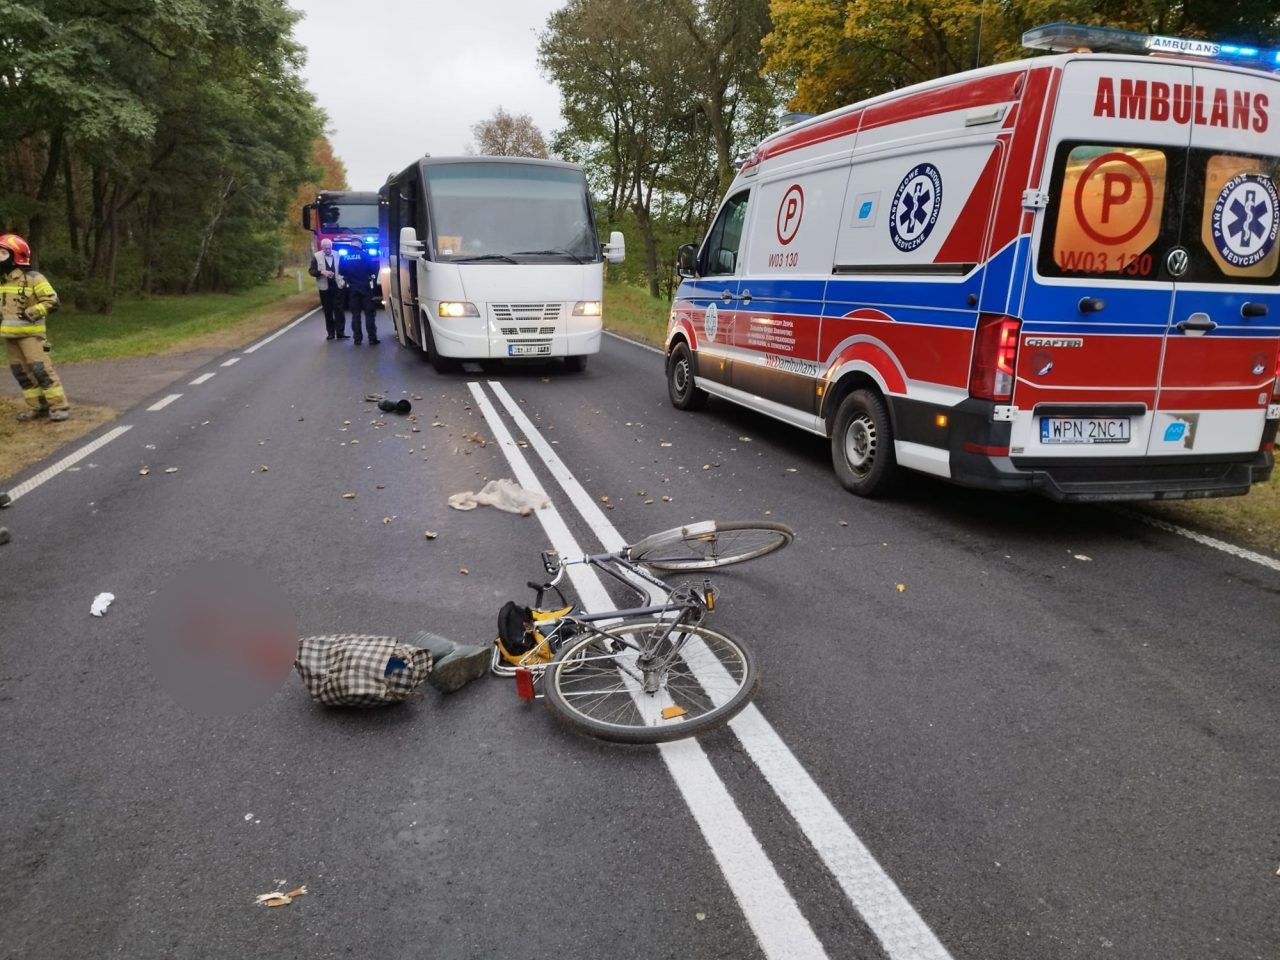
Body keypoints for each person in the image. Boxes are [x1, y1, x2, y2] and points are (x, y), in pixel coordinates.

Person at [1, 234, 69, 421]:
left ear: (16, 255)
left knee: (41, 370)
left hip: (32, 336)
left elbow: (52, 301)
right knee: (21, 373)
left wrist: (31, 312)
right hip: (10, 335)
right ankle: (37, 407)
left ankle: (59, 406)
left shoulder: (34, 278)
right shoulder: (4, 280)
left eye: (3, 253)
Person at [340, 244, 380, 345]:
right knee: (369, 314)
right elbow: (372, 269)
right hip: (365, 288)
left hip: (352, 289)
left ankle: (357, 339)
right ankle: (372, 338)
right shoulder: (364, 255)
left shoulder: (345, 256)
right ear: (359, 245)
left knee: (355, 315)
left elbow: (341, 271)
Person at [308, 239, 347, 340]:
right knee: (328, 311)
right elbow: (311, 271)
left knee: (339, 310)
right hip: (324, 288)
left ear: (332, 246)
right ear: (322, 248)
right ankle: (330, 333)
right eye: (326, 248)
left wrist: (345, 281)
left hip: (338, 286)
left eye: (329, 248)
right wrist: (321, 272)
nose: (328, 250)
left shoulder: (338, 255)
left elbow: (344, 269)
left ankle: (340, 333)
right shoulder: (316, 256)